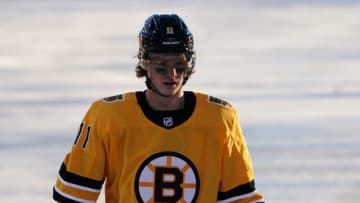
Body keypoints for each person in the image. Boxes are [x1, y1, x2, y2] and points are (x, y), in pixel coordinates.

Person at [53, 14, 265, 203]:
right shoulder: (107, 116)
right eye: (161, 66)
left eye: (179, 65)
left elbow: (240, 199)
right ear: (145, 64)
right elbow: (75, 196)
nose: (171, 75)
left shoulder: (221, 118)